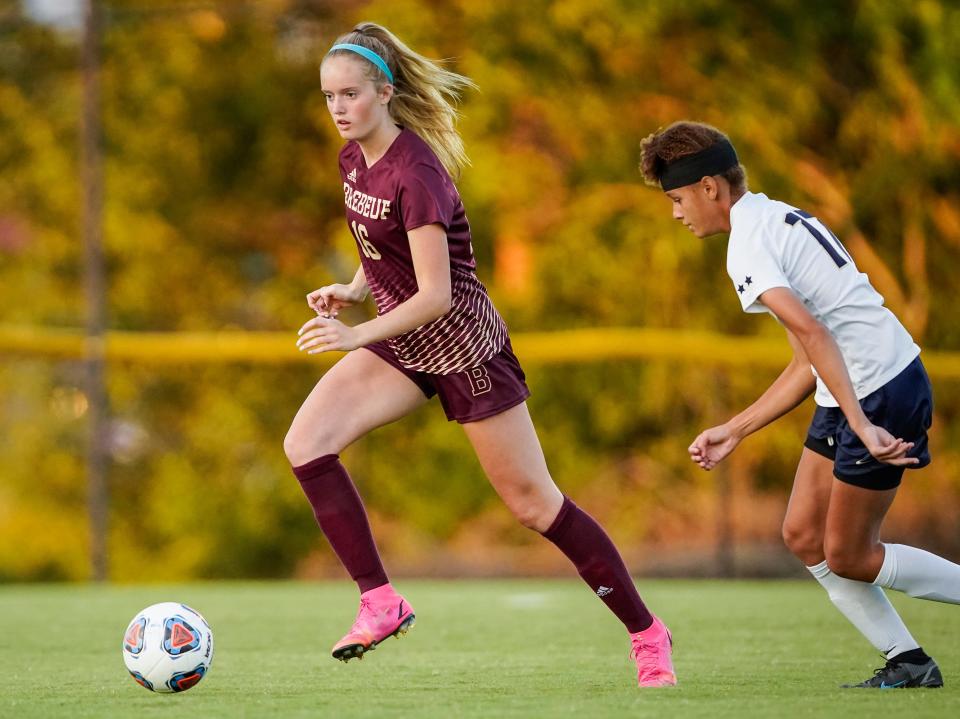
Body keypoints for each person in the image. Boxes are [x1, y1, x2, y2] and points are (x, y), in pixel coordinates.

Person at [282, 22, 676, 687]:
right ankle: (380, 599)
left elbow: (435, 294)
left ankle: (647, 632)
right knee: (306, 443)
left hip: (463, 345)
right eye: (328, 96)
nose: (338, 109)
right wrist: (353, 289)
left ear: (384, 90)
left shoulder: (417, 170)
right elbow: (379, 244)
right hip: (401, 339)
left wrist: (356, 334)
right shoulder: (353, 158)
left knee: (534, 505)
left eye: (350, 94)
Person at [639, 120, 960, 689]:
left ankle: (911, 660)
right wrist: (736, 429)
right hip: (858, 390)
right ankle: (908, 662)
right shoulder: (768, 217)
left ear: (710, 187)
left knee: (851, 556)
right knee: (803, 535)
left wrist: (861, 422)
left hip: (879, 389)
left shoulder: (747, 243)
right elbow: (806, 361)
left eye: (678, 198)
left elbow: (814, 334)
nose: (676, 213)